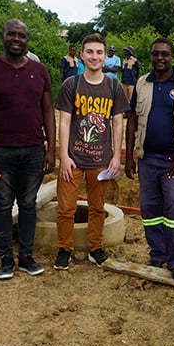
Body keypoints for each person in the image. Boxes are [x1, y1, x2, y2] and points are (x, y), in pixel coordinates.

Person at [0, 19, 56, 280]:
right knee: (2, 204)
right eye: (12, 34)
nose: (17, 39)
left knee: (29, 204)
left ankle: (27, 257)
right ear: (3, 37)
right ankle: (5, 259)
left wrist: (50, 149)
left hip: (33, 150)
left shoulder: (40, 71)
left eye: (22, 35)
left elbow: (47, 112)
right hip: (1, 151)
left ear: (27, 40)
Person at [125, 37, 174, 282]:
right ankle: (157, 253)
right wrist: (130, 155)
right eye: (156, 54)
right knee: (150, 209)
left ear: (172, 56)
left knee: (173, 206)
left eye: (165, 54)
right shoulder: (142, 83)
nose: (160, 58)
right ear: (150, 56)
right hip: (147, 159)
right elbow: (132, 121)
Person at [54, 33, 130, 270]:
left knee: (98, 208)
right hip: (74, 158)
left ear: (106, 56)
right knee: (66, 208)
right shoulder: (71, 84)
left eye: (99, 52)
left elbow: (118, 123)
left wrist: (116, 156)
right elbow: (64, 121)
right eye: (90, 52)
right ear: (82, 56)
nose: (94, 57)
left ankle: (95, 248)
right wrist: (64, 156)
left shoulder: (113, 86)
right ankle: (64, 249)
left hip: (101, 159)